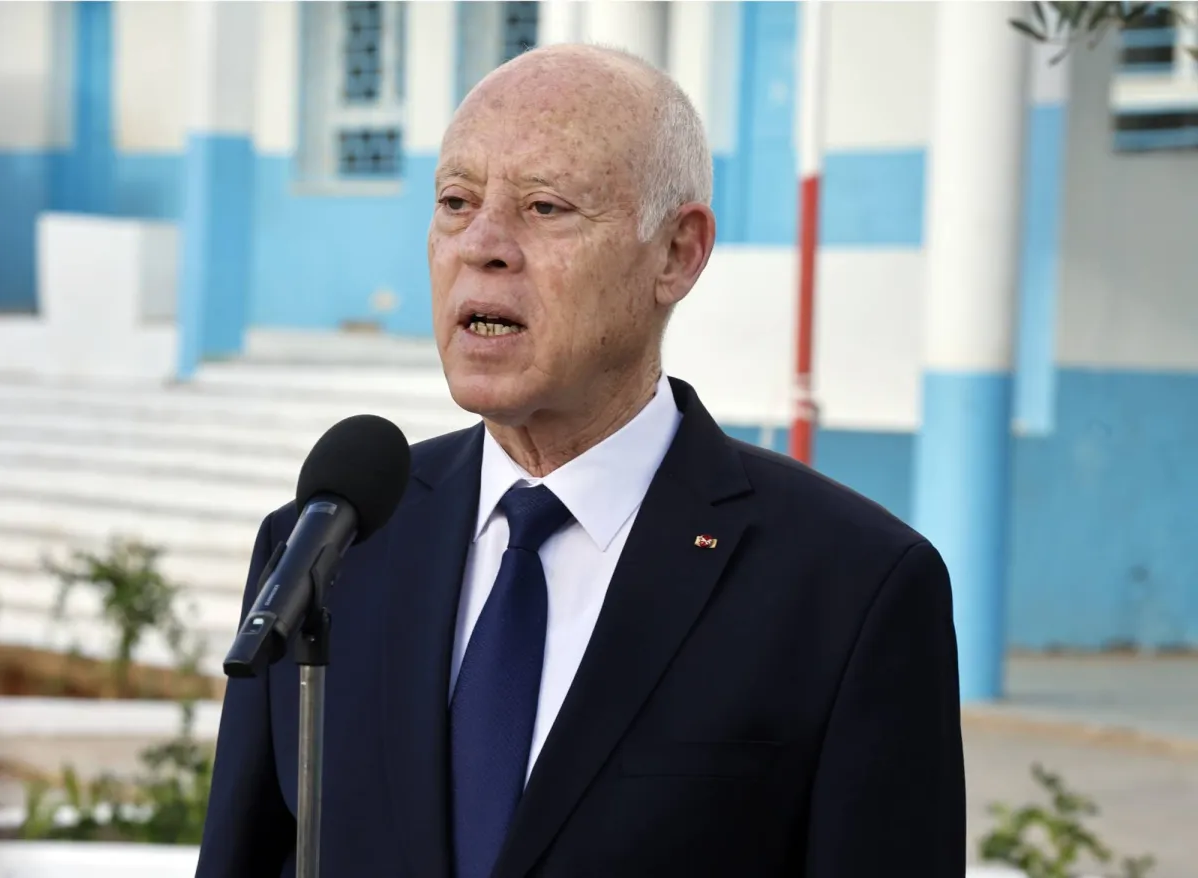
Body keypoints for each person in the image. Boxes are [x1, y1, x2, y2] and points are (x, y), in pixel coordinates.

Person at [196, 44, 964, 878]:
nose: (483, 246)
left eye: (545, 207)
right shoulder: (331, 549)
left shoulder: (851, 587)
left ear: (677, 253)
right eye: (456, 202)